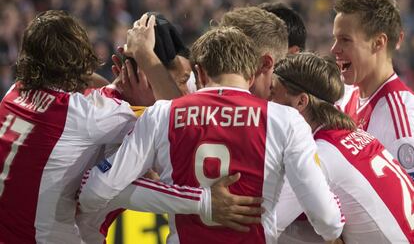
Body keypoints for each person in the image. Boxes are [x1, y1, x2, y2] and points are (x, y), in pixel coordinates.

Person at [0, 10, 263, 244]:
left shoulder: (17, 90)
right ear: (142, 76)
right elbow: (188, 122)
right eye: (182, 81)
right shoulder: (105, 116)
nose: (190, 91)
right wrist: (145, 57)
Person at [79, 26, 344, 243]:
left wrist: (193, 201)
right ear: (251, 76)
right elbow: (327, 221)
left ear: (200, 73)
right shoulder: (285, 120)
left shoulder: (161, 114)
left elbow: (94, 193)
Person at [272, 53, 414, 243]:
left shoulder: (317, 155)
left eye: (272, 93)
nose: (266, 102)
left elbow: (267, 227)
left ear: (301, 102)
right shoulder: (352, 133)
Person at [331, 0, 414, 178]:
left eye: (345, 40)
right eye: (335, 39)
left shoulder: (402, 123)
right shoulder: (344, 97)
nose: (334, 49)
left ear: (378, 42)